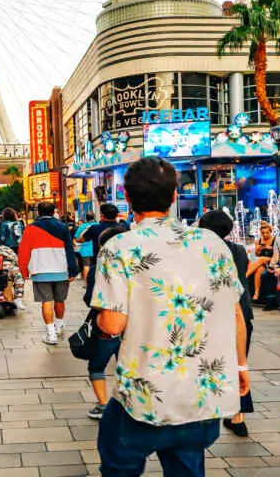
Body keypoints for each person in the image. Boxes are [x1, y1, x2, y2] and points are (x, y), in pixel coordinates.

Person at [91, 157, 249, 477]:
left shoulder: (120, 247)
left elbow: (112, 324)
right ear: (174, 196)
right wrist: (241, 365)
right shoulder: (212, 244)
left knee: (118, 461)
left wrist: (99, 326)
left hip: (144, 394)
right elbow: (235, 311)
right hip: (200, 394)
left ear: (127, 196)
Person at [198, 210, 255, 438]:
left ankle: (207, 411)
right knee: (238, 365)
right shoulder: (239, 250)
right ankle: (237, 417)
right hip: (241, 310)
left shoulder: (200, 251)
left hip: (214, 313)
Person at [18, 201, 79, 346]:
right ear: (53, 212)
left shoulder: (30, 228)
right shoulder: (62, 227)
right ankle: (59, 325)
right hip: (61, 269)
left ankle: (51, 334)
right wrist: (73, 270)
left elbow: (24, 251)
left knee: (47, 301)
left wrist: (24, 270)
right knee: (60, 299)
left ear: (38, 212)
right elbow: (69, 250)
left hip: (40, 269)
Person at [85, 225, 127, 421]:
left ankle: (103, 404)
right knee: (127, 365)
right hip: (134, 326)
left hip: (106, 327)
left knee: (96, 365)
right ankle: (129, 403)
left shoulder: (98, 269)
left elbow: (90, 299)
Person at [80, 204, 125, 306]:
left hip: (99, 265)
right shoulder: (123, 228)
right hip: (121, 266)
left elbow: (81, 238)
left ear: (102, 216)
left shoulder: (95, 228)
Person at [246, 221, 274, 302]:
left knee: (261, 259)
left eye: (267, 233)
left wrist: (270, 248)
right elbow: (257, 254)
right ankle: (256, 292)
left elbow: (277, 253)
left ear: (270, 232)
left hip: (272, 260)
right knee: (258, 272)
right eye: (263, 233)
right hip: (262, 262)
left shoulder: (275, 239)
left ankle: (245, 276)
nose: (265, 234)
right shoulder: (258, 241)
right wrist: (259, 249)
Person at [75, 213, 98, 278]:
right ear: (94, 217)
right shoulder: (97, 225)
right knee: (97, 266)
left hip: (85, 249)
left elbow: (76, 238)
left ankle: (87, 284)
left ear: (86, 218)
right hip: (96, 249)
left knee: (86, 266)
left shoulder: (82, 226)